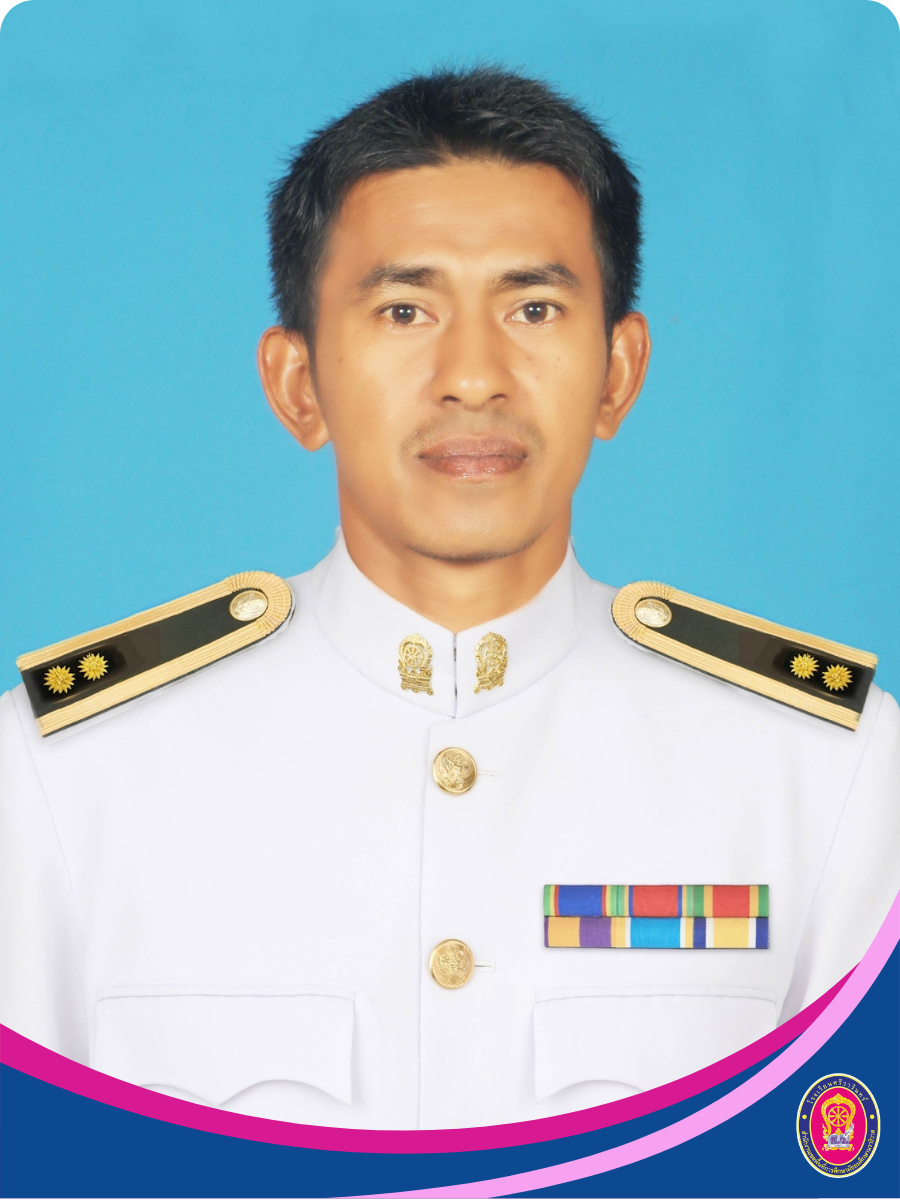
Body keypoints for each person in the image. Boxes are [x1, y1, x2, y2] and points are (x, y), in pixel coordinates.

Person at [1, 67, 898, 1132]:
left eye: (533, 307)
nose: (474, 376)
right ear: (298, 384)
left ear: (617, 372)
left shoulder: (823, 772)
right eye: (405, 310)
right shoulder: (66, 777)